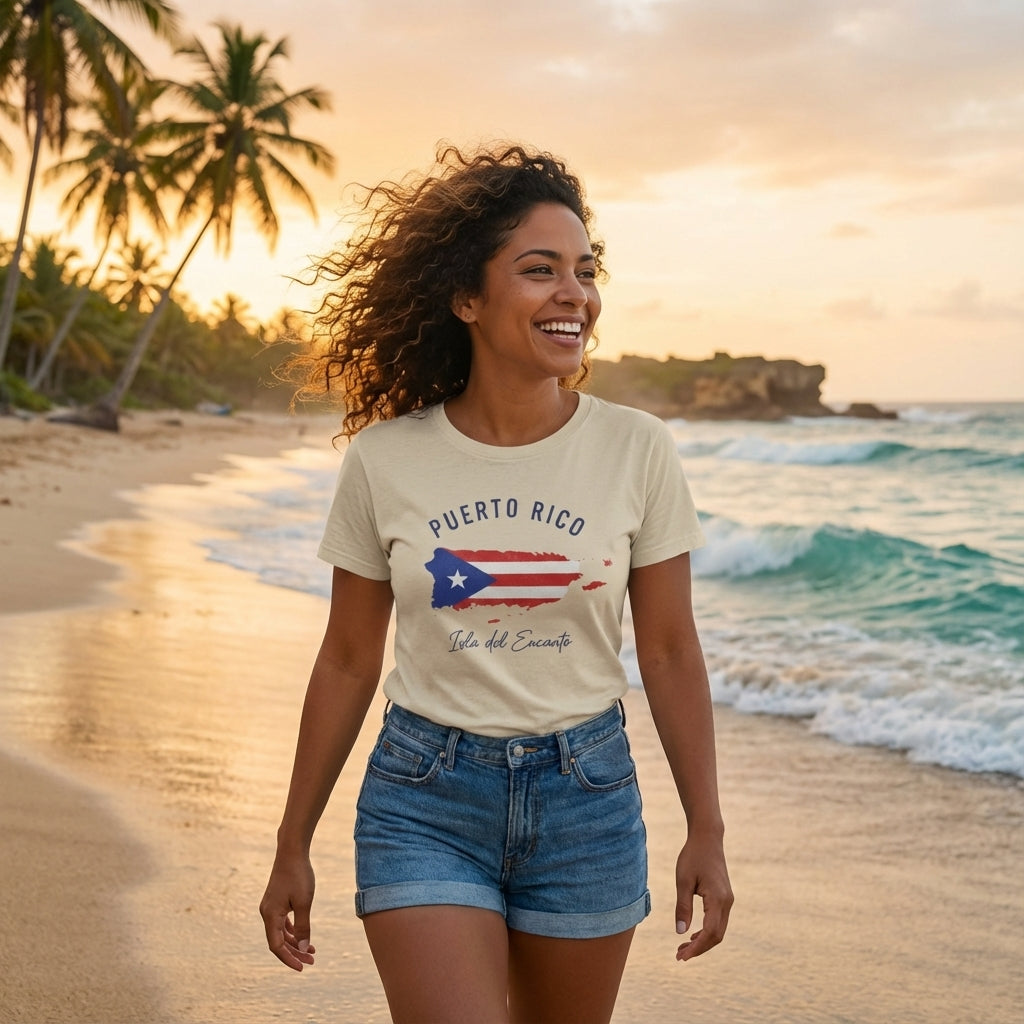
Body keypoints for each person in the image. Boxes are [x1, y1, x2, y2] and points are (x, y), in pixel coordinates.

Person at [259, 143, 733, 1024]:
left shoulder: (637, 449)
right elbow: (348, 659)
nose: (575, 295)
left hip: (585, 800)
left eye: (585, 272)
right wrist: (293, 841)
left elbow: (669, 651)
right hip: (423, 795)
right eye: (540, 270)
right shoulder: (387, 459)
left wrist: (706, 825)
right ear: (466, 297)